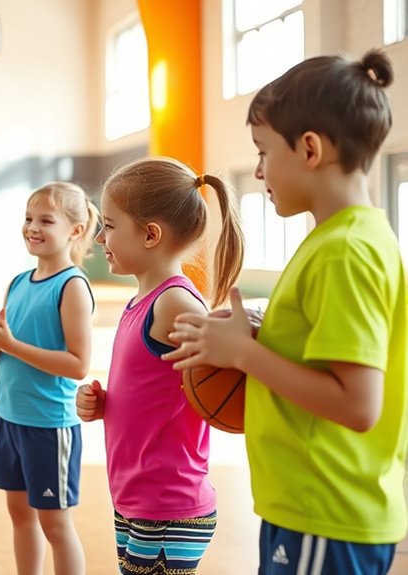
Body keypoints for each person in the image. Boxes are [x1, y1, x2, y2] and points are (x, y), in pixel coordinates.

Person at [165, 49, 406, 575]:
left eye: (263, 151)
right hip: (312, 507)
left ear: (310, 148)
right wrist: (261, 331)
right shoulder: (344, 238)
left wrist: (245, 355)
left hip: (325, 510)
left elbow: (358, 405)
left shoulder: (346, 251)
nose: (257, 170)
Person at [75, 157, 244, 575]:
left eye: (109, 226)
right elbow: (157, 390)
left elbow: (223, 379)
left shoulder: (176, 304)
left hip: (169, 505)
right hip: (137, 499)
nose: (100, 238)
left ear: (151, 234)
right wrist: (105, 404)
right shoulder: (142, 302)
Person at [0, 182, 98, 575]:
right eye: (28, 218)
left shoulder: (72, 286)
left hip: (49, 426)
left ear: (74, 230)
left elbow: (78, 365)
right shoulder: (19, 282)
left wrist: (11, 344)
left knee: (55, 525)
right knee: (20, 516)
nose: (32, 227)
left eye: (45, 220)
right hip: (10, 419)